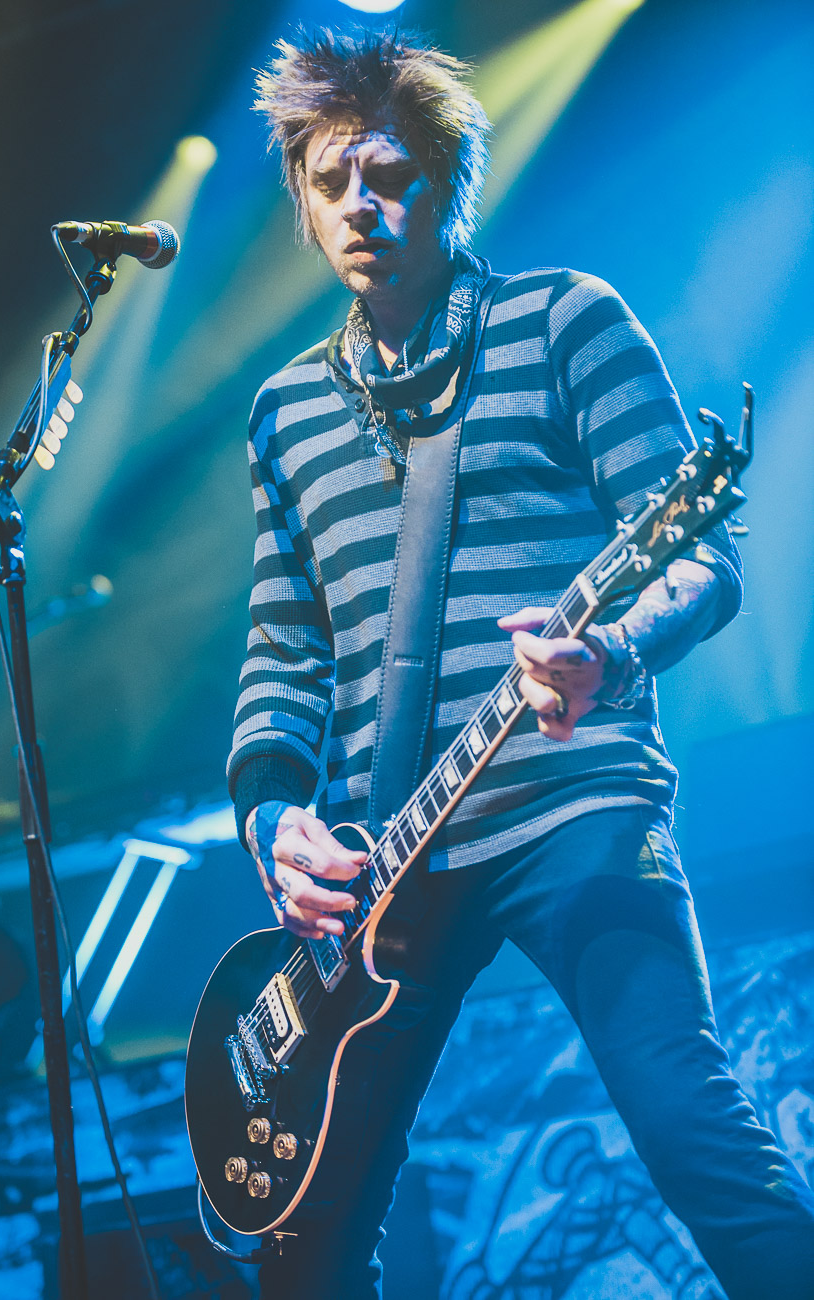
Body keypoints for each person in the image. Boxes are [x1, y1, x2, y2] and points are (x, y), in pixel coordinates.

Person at [226, 27, 814, 1299]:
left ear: (448, 187)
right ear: (302, 205)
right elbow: (282, 648)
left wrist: (611, 650)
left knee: (691, 1128)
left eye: (392, 176)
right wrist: (271, 819)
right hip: (387, 860)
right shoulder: (283, 413)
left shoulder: (564, 320)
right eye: (331, 182)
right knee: (306, 1244)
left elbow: (703, 559)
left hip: (569, 800)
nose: (361, 205)